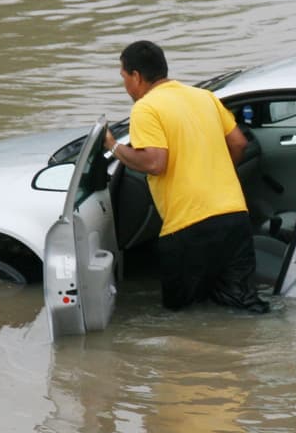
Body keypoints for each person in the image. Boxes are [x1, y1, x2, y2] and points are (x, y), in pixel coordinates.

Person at [103, 40, 269, 314]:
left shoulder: (146, 108)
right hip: (234, 217)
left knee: (183, 317)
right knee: (243, 305)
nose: (125, 86)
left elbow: (155, 163)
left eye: (123, 77)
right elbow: (239, 143)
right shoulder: (204, 97)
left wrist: (114, 146)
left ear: (136, 76)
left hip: (188, 227)